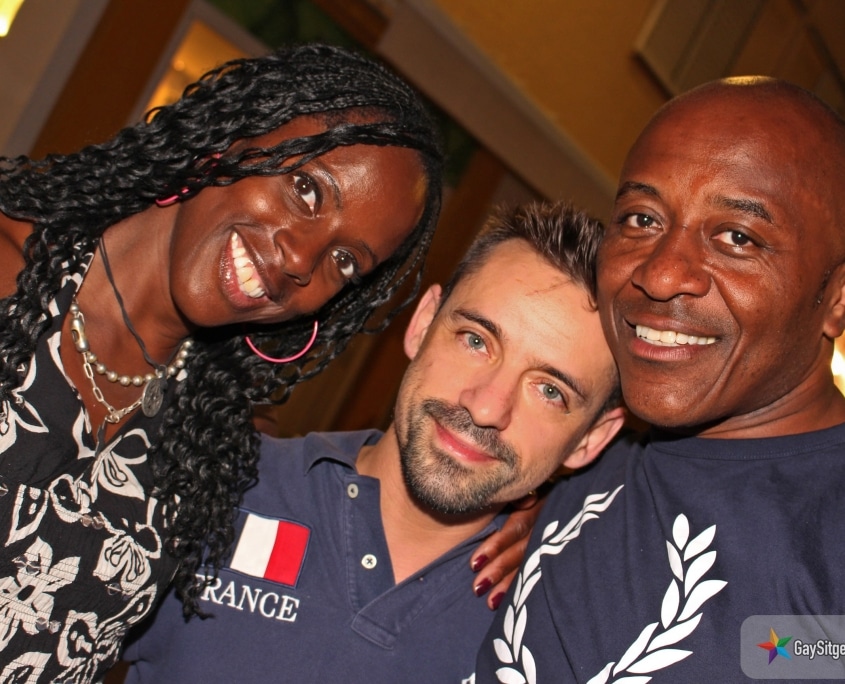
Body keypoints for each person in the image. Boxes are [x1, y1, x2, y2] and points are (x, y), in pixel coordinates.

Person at [0, 43, 450, 683]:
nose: (301, 261)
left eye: (346, 261)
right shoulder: (10, 273)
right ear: (227, 140)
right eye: (306, 189)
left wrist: (530, 520)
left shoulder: (215, 439)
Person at [120, 202, 625, 683]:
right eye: (476, 340)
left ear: (591, 439)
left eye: (550, 391)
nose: (486, 408)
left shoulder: (561, 633)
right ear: (423, 323)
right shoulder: (212, 482)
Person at [476, 77, 845, 682]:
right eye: (642, 219)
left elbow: (786, 650)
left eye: (737, 237)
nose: (662, 274)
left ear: (838, 296)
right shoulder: (578, 440)